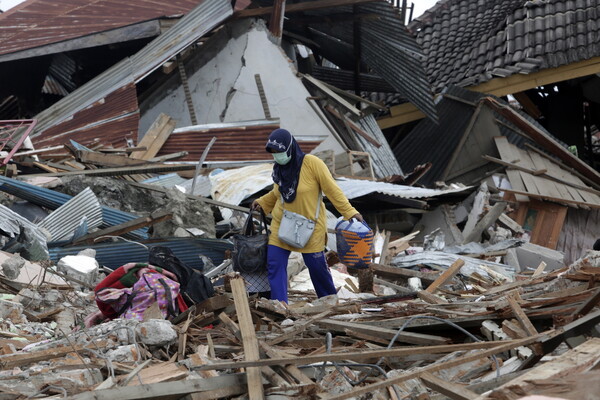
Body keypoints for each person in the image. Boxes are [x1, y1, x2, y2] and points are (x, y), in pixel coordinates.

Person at [251, 128, 363, 303]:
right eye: (273, 153)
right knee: (274, 265)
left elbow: (332, 190)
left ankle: (328, 302)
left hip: (309, 227)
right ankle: (280, 306)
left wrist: (350, 212)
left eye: (279, 151)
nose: (277, 156)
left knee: (317, 268)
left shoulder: (312, 164)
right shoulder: (280, 169)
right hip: (282, 225)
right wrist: (262, 202)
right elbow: (277, 193)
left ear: (289, 148)